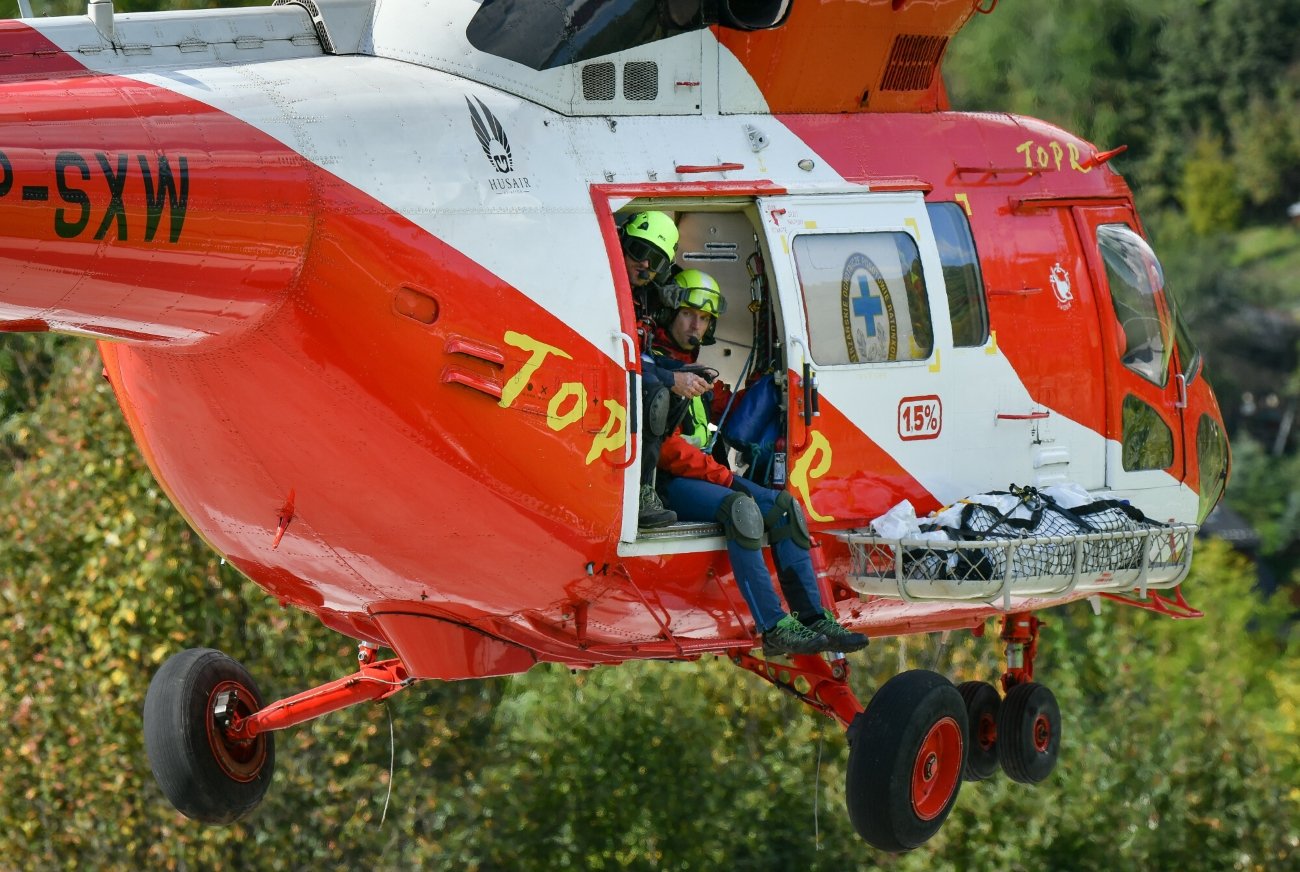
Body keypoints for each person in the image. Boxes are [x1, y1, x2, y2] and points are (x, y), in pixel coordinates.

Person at [652, 269, 869, 656]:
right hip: (667, 485)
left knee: (785, 506)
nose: (695, 325)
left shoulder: (693, 371)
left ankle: (812, 617)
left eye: (703, 318)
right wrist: (726, 478)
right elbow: (668, 451)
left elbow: (725, 406)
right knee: (742, 509)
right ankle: (773, 627)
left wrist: (769, 384)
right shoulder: (659, 370)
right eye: (687, 315)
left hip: (702, 478)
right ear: (669, 313)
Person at [618, 211, 711, 528]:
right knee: (657, 391)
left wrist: (684, 371)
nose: (645, 264)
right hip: (608, 369)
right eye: (639, 251)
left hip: (632, 365)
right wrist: (672, 378)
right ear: (623, 244)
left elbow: (644, 357)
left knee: (685, 375)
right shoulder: (608, 284)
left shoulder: (645, 294)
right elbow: (624, 359)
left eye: (655, 260)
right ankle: (640, 493)